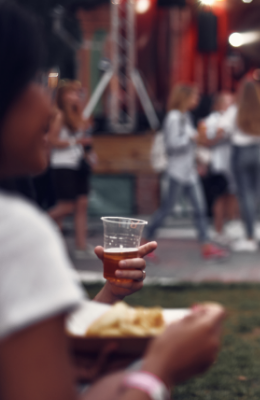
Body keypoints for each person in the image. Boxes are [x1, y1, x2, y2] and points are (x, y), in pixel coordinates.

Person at [0, 2, 226, 399]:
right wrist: (158, 370)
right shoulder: (15, 232)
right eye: (33, 81)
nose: (47, 105)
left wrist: (109, 295)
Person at [144, 84, 227, 260]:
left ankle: (206, 245)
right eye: (194, 96)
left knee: (200, 209)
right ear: (185, 97)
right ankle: (144, 241)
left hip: (189, 171)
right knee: (167, 209)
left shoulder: (185, 116)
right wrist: (192, 137)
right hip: (177, 171)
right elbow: (172, 144)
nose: (197, 100)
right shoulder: (174, 117)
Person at [225, 79, 260, 252]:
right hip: (257, 151)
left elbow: (225, 128)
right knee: (257, 193)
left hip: (240, 151)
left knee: (245, 194)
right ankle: (252, 227)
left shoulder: (235, 109)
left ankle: (249, 235)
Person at [47, 80, 93, 258]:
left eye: (77, 93)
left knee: (82, 204)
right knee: (66, 206)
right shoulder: (59, 115)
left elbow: (86, 139)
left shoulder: (79, 114)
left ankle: (81, 246)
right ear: (63, 96)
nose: (76, 96)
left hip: (78, 163)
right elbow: (52, 140)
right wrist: (76, 141)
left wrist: (89, 153)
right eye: (72, 93)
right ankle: (35, 224)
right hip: (63, 164)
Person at [198, 92, 238, 244]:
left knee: (231, 195)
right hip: (218, 164)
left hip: (231, 163)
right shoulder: (211, 120)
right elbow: (204, 139)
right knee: (220, 196)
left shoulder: (232, 117)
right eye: (227, 102)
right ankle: (218, 229)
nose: (230, 105)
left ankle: (228, 228)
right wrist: (220, 135)